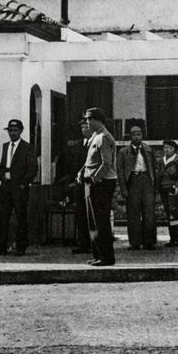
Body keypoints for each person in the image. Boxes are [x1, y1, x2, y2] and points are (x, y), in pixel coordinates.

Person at [0, 119, 37, 256]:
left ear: (21, 131)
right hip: (6, 187)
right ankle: (0, 246)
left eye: (15, 130)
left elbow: (32, 169)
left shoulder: (27, 148)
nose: (12, 133)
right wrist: (2, 177)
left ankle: (21, 246)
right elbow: (2, 165)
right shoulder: (5, 146)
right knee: (2, 216)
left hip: (19, 187)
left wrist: (23, 184)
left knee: (21, 217)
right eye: (10, 130)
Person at [81, 107, 117, 267]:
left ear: (98, 120)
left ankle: (106, 257)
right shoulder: (95, 136)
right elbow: (91, 160)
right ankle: (98, 254)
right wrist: (82, 172)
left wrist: (95, 178)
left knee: (101, 221)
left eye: (89, 119)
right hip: (92, 182)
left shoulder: (104, 137)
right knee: (93, 222)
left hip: (101, 183)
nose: (87, 122)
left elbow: (106, 163)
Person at [54, 118, 92, 255]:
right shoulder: (77, 146)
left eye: (87, 127)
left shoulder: (96, 143)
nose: (84, 130)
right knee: (81, 214)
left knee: (92, 216)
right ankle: (83, 243)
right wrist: (72, 180)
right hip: (79, 184)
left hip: (92, 184)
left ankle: (95, 244)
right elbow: (73, 165)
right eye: (82, 127)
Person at [116, 125, 157, 250]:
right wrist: (123, 188)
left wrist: (154, 186)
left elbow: (154, 168)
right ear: (130, 136)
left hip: (146, 181)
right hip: (132, 181)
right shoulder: (124, 152)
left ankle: (149, 241)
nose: (136, 137)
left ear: (142, 135)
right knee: (133, 213)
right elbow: (120, 171)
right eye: (134, 134)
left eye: (139, 134)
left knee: (149, 212)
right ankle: (135, 242)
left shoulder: (148, 150)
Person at [157, 140, 178, 247]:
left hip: (173, 189)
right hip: (164, 189)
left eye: (170, 148)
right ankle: (172, 238)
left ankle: (177, 238)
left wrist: (177, 186)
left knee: (175, 213)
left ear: (174, 149)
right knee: (168, 213)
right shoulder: (162, 161)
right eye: (165, 148)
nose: (167, 150)